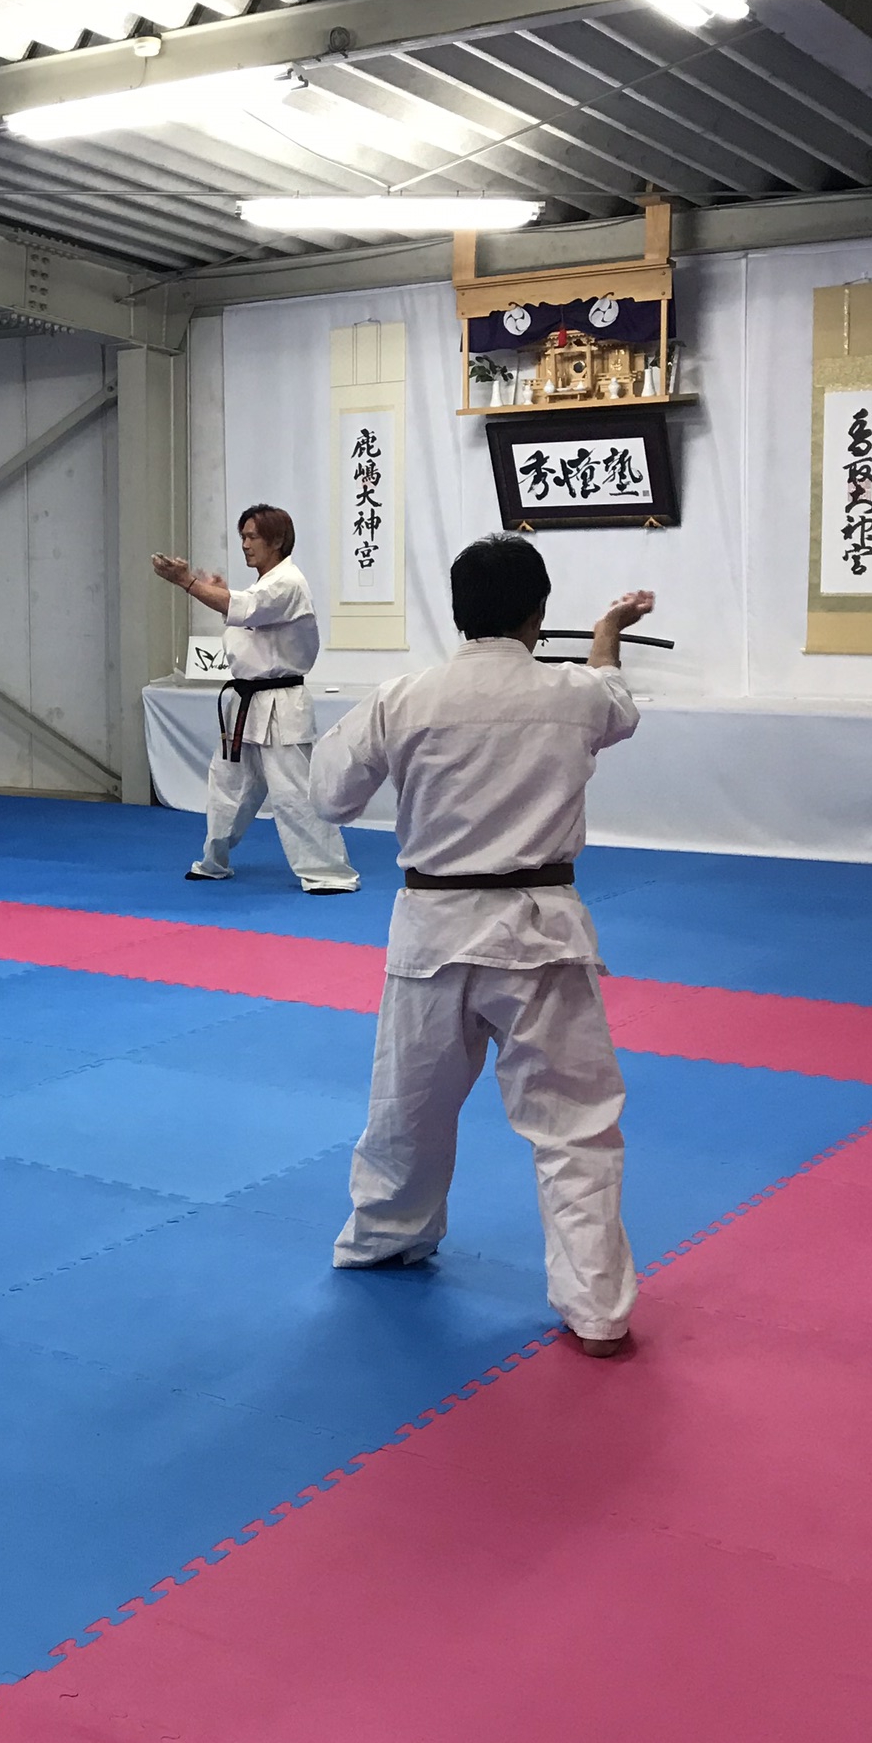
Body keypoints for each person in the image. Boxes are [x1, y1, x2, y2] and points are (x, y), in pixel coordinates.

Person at [310, 533, 654, 1358]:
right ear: (538, 614)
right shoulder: (574, 694)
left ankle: (386, 1236)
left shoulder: (405, 697)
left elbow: (328, 794)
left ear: (458, 612)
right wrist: (606, 633)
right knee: (575, 1129)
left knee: (408, 1108)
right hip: (542, 936)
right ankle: (597, 1308)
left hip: (433, 934)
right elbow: (617, 699)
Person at [152, 505, 359, 894]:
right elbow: (244, 615)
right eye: (242, 537)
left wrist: (188, 582)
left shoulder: (288, 583)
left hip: (281, 703)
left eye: (252, 537)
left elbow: (244, 608)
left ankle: (328, 872)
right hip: (246, 703)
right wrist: (215, 589)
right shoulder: (265, 585)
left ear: (277, 540)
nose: (245, 544)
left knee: (293, 791)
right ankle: (214, 861)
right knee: (229, 784)